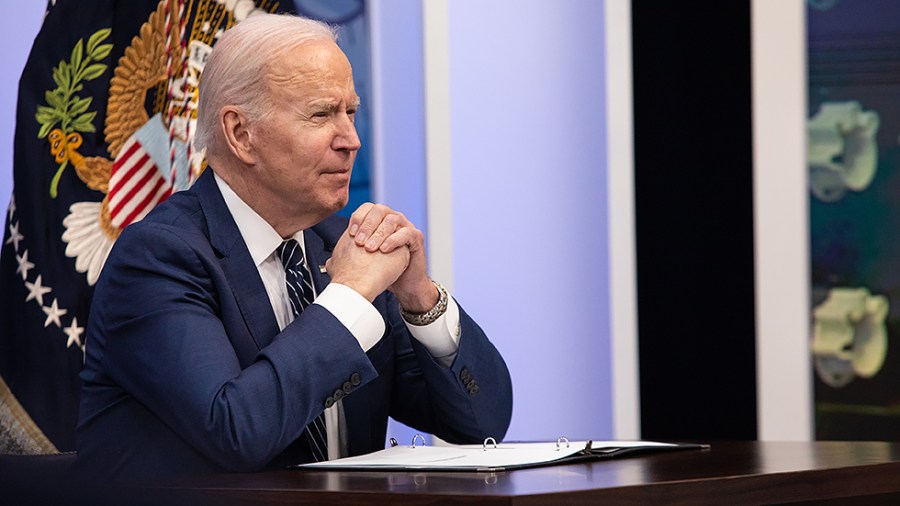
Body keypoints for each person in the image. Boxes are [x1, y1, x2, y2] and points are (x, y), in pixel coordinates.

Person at [76, 13, 512, 482]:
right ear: (241, 134)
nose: (351, 140)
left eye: (351, 112)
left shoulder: (340, 246)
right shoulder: (159, 258)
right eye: (322, 114)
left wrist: (420, 300)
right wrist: (347, 297)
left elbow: (480, 425)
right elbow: (236, 430)